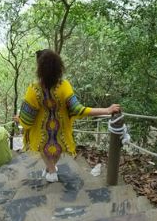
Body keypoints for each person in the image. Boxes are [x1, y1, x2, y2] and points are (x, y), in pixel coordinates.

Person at [16, 49, 121, 183]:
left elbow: (26, 118)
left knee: (43, 147)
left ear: (40, 69)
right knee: (58, 146)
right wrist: (106, 110)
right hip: (60, 128)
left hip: (41, 131)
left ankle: (52, 172)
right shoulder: (64, 86)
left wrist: (19, 119)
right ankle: (51, 169)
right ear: (59, 67)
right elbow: (78, 109)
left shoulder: (33, 89)